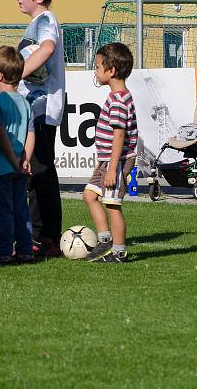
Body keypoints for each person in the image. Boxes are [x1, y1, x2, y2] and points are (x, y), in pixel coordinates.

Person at [4, 0, 65, 257]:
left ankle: (45, 237)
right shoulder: (37, 22)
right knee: (38, 172)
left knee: (39, 172)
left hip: (42, 109)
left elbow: (47, 49)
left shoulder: (45, 20)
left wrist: (16, 76)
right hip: (35, 109)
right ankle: (43, 235)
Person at [84, 43, 138, 263]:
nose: (95, 72)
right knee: (89, 195)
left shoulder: (118, 100)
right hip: (108, 161)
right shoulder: (118, 97)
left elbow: (119, 136)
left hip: (117, 161)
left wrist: (113, 168)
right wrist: (103, 163)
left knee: (113, 204)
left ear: (111, 71)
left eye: (97, 67)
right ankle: (105, 240)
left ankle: (118, 251)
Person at [0, 46, 36, 265]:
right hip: (20, 168)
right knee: (21, 210)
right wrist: (25, 159)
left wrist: (12, 160)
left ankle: (4, 252)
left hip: (1, 167)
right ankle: (25, 251)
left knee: (2, 211)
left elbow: (1, 135)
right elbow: (30, 134)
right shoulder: (25, 103)